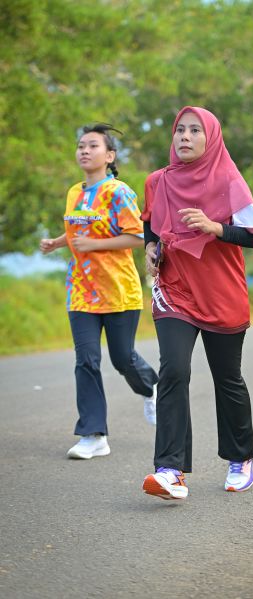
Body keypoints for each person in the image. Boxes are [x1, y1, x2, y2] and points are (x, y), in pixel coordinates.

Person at [140, 106, 253, 500]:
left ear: (211, 138)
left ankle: (241, 456)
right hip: (175, 289)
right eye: (180, 129)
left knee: (227, 377)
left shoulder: (230, 180)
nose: (185, 137)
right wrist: (150, 247)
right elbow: (150, 223)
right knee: (174, 370)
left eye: (195, 131)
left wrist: (215, 228)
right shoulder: (158, 181)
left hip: (221, 293)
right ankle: (170, 470)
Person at [40, 123, 158, 459]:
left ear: (109, 156)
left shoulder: (119, 192)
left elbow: (137, 236)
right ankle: (93, 434)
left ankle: (150, 387)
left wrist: (92, 245)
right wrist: (58, 242)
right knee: (86, 360)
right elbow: (79, 228)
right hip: (80, 291)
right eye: (81, 146)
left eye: (92, 146)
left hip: (119, 290)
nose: (84, 151)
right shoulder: (74, 193)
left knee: (122, 358)